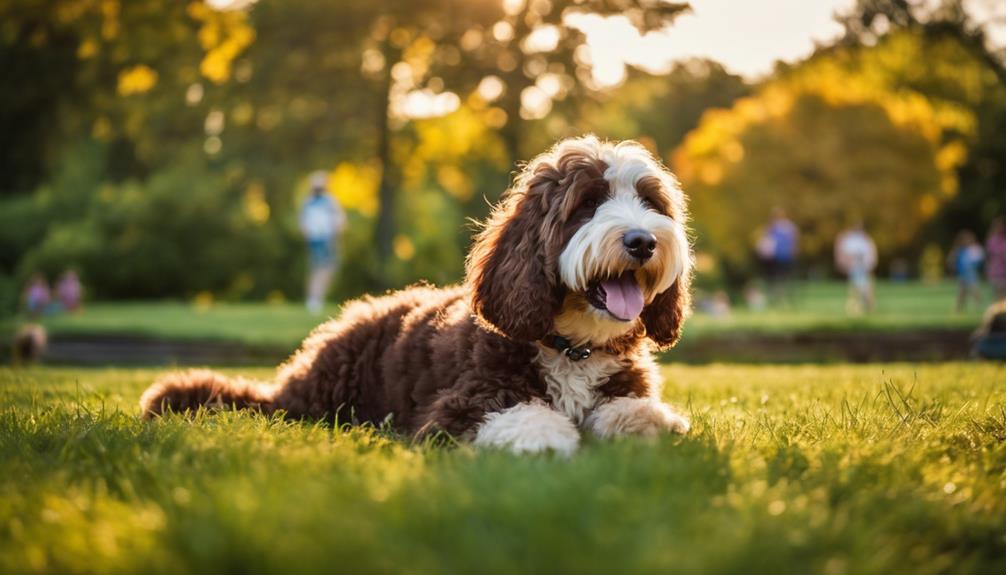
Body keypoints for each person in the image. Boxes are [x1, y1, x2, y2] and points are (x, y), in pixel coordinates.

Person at [299, 171, 346, 314]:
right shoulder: (317, 202)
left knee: (324, 269)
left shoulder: (325, 201)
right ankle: (314, 300)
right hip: (321, 239)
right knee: (320, 269)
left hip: (325, 239)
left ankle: (316, 298)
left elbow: (339, 221)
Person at [834, 222, 877, 315]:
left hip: (861, 267)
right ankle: (859, 306)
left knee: (863, 287)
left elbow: (869, 255)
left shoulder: (864, 240)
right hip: (856, 267)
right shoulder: (856, 240)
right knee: (859, 287)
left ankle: (863, 306)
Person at [763, 207, 799, 305]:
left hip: (785, 256)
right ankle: (777, 297)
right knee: (775, 278)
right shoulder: (771, 227)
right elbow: (767, 242)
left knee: (784, 278)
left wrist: (793, 251)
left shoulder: (788, 227)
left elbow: (794, 241)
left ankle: (784, 297)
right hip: (774, 257)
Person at [948, 230, 985, 312]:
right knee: (962, 292)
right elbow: (951, 260)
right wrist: (952, 267)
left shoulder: (974, 249)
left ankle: (979, 305)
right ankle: (958, 308)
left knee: (974, 289)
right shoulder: (959, 250)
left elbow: (978, 261)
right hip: (963, 274)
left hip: (971, 273)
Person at [986, 217, 1006, 301]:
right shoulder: (992, 240)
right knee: (997, 295)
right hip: (996, 270)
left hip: (1004, 271)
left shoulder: (1004, 240)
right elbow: (989, 256)